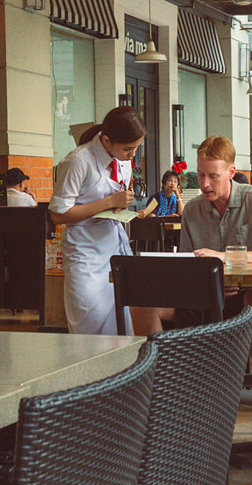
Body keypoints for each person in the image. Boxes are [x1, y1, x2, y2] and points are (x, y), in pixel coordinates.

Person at [130, 136, 252, 462]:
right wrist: (208, 282)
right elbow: (190, 264)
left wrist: (228, 261)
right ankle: (164, 415)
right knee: (141, 302)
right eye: (201, 175)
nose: (204, 184)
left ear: (230, 172)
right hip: (206, 297)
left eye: (213, 176)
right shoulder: (192, 210)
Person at [48, 106, 144, 335]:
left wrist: (122, 202)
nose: (132, 155)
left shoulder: (123, 161)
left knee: (120, 317)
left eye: (136, 148)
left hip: (112, 243)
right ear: (106, 140)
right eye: (128, 149)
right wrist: (109, 201)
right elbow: (58, 215)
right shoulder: (78, 161)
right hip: (84, 250)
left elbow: (116, 195)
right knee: (89, 317)